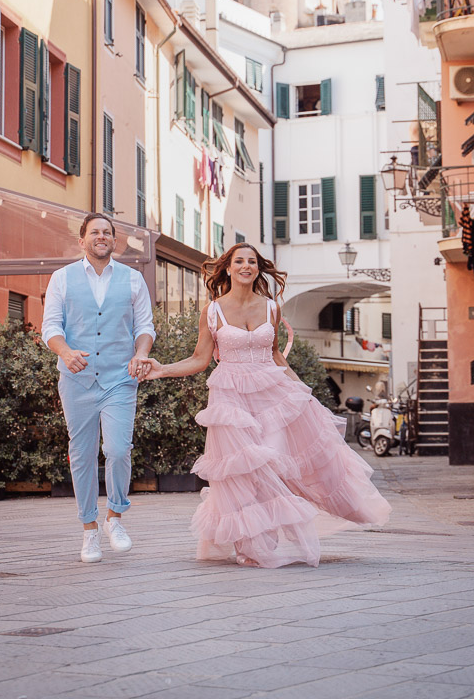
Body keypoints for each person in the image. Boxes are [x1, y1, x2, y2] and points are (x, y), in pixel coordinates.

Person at [132, 243, 391, 569]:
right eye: (239, 261)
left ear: (257, 269)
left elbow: (276, 356)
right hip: (230, 399)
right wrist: (162, 369)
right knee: (243, 473)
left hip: (272, 395)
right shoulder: (212, 311)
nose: (246, 266)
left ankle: (264, 540)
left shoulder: (271, 308)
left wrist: (304, 394)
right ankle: (251, 544)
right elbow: (200, 360)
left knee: (272, 467)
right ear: (227, 268)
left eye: (251, 262)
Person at [42, 213, 155, 563]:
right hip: (77, 380)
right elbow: (50, 327)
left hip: (121, 377)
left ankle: (115, 518)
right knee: (82, 454)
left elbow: (145, 327)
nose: (101, 237)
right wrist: (64, 351)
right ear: (82, 240)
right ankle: (89, 529)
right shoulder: (62, 278)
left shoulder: (133, 279)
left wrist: (141, 354)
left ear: (114, 240)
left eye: (107, 232)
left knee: (119, 449)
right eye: (95, 232)